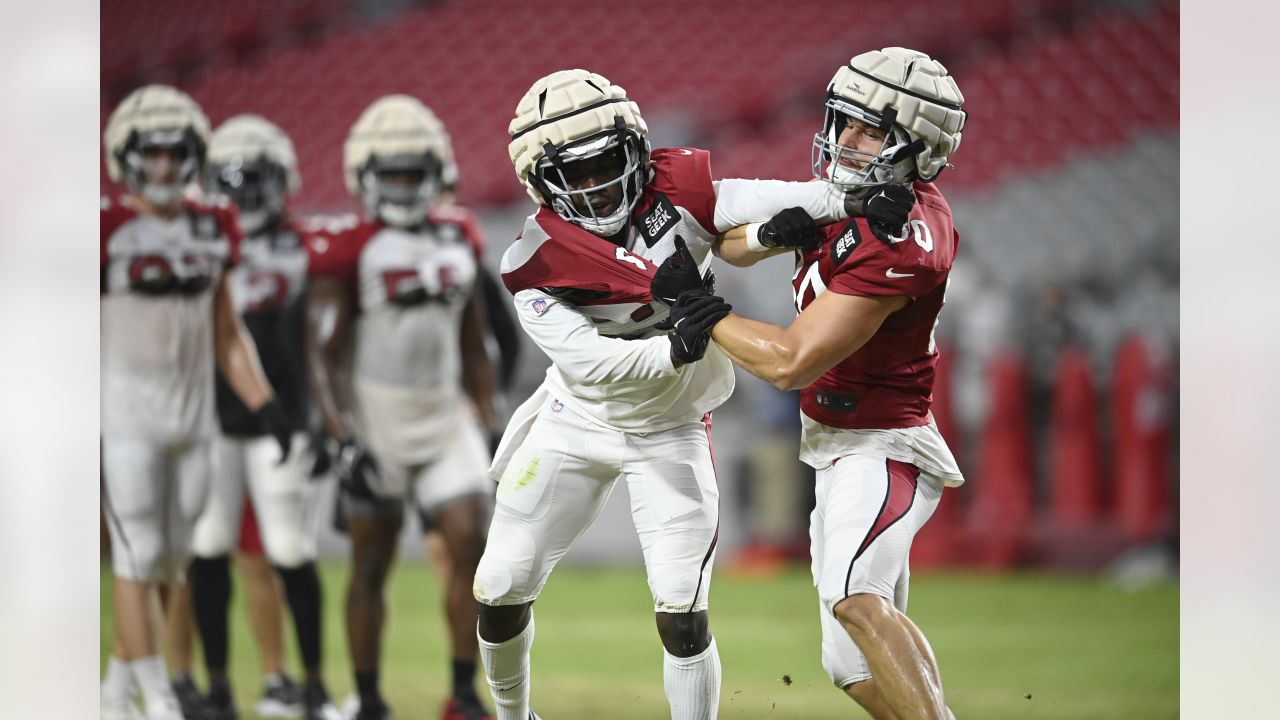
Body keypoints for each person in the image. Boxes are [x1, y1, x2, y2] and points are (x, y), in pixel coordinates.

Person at [474, 69, 873, 720]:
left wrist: (843, 201)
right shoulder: (533, 261)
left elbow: (751, 199)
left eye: (606, 161)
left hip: (672, 427)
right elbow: (596, 363)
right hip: (577, 419)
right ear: (541, 186)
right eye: (574, 174)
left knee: (682, 607)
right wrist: (676, 348)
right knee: (498, 584)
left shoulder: (678, 188)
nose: (598, 183)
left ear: (634, 148)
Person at [650, 47, 967, 720]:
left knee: (858, 600)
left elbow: (794, 362)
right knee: (850, 668)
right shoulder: (856, 196)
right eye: (843, 122)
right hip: (839, 443)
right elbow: (733, 244)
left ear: (918, 147)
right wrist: (772, 231)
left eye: (870, 130)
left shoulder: (903, 232)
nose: (845, 140)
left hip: (884, 444)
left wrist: (704, 314)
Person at [100, 85, 291, 720]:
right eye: (150, 155)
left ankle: (114, 690)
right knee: (138, 555)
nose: (161, 166)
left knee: (173, 560)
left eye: (173, 153)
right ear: (127, 156)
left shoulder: (214, 225)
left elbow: (226, 330)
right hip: (124, 418)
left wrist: (264, 403)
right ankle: (158, 693)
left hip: (194, 420)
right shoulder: (102, 228)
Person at [305, 94, 497, 720]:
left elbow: (476, 342)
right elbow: (323, 355)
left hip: (444, 417)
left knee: (471, 547)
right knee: (369, 564)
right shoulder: (353, 247)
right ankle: (366, 700)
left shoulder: (459, 237)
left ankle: (464, 694)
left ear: (435, 174)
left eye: (415, 173)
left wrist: (485, 413)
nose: (405, 186)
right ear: (367, 177)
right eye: (393, 174)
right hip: (376, 420)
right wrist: (341, 436)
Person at [178, 113, 343, 720]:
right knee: (210, 545)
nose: (245, 196)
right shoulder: (196, 245)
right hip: (211, 420)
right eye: (234, 183)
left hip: (286, 420)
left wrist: (325, 422)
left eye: (256, 183)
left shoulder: (304, 246)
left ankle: (311, 686)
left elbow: (321, 343)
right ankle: (218, 687)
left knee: (289, 548)